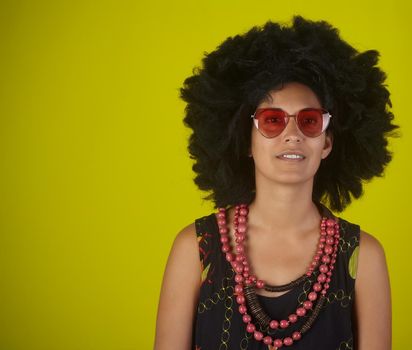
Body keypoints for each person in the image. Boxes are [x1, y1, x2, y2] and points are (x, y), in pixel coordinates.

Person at [154, 15, 399, 350]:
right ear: (246, 139)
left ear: (326, 143)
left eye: (310, 121)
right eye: (272, 121)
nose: (292, 135)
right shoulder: (195, 250)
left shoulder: (363, 256)